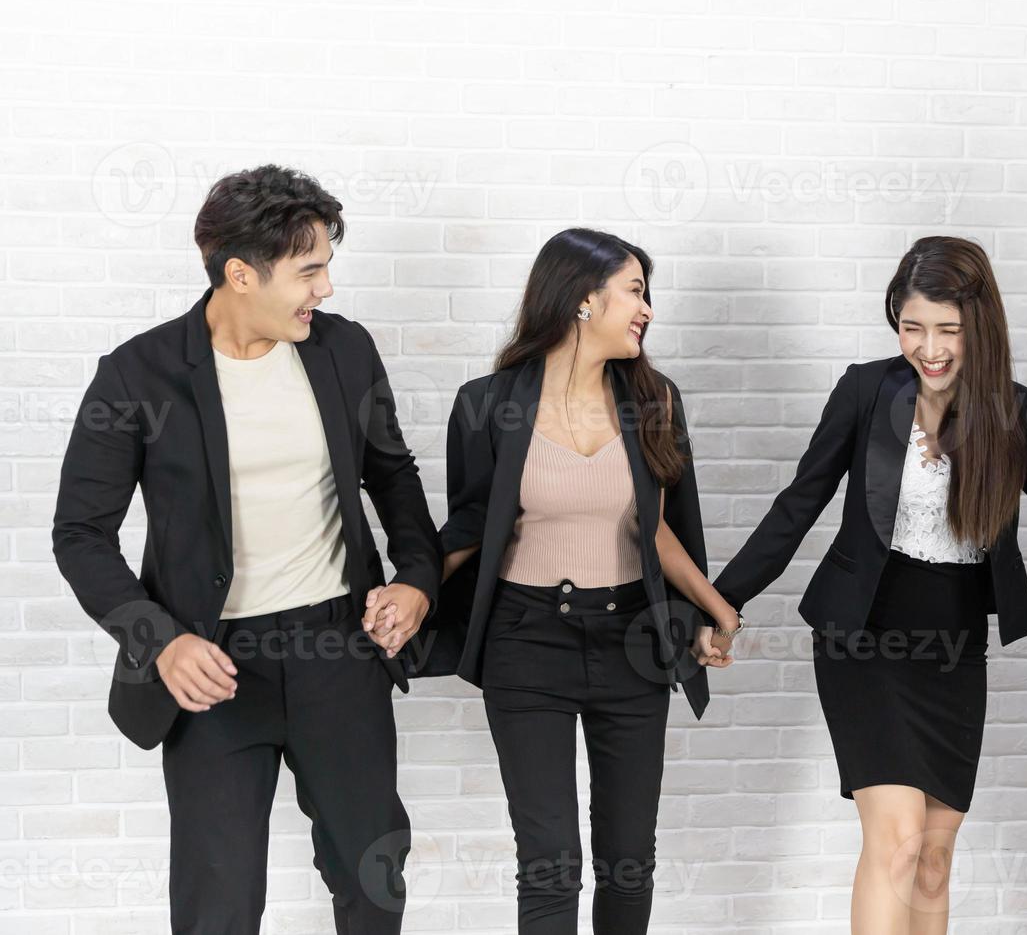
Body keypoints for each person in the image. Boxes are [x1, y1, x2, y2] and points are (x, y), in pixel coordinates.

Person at [711, 235, 1027, 933]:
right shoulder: (865, 390)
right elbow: (797, 505)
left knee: (934, 855)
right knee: (897, 840)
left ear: (979, 327)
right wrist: (722, 600)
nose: (928, 349)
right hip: (865, 637)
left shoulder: (1014, 409)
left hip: (954, 649)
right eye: (912, 327)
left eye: (948, 331)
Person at [51, 165, 442, 934]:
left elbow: (393, 478)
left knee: (372, 881)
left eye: (327, 265)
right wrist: (158, 641)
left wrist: (418, 580)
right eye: (309, 270)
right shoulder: (138, 374)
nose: (324, 289)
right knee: (218, 901)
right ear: (239, 274)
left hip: (341, 654)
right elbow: (80, 534)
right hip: (214, 669)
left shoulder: (345, 352)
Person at [425, 227, 740, 934]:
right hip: (525, 642)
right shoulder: (489, 402)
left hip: (632, 642)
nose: (647, 309)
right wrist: (405, 592)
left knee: (629, 859)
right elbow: (469, 525)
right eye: (634, 290)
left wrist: (718, 608)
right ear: (580, 299)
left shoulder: (654, 398)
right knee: (550, 863)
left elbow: (656, 526)